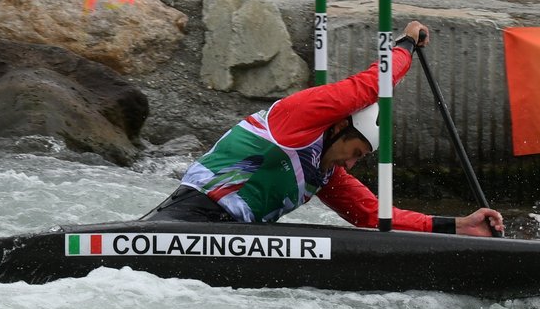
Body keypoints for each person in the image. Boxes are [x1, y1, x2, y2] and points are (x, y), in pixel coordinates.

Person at [144, 20, 504, 236]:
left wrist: (460, 226)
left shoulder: (325, 173)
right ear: (339, 128)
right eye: (356, 152)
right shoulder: (298, 119)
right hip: (186, 219)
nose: (351, 165)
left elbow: (372, 216)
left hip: (234, 234)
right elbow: (371, 86)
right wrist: (406, 45)